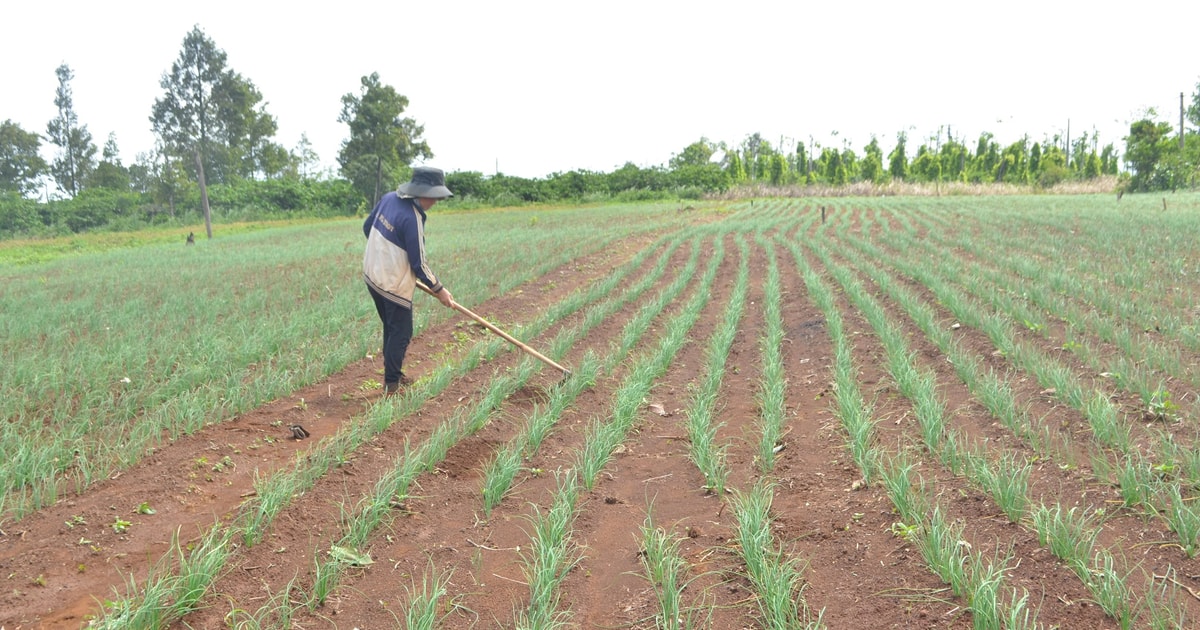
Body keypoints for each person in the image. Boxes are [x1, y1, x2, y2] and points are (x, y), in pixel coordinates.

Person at [362, 166, 456, 395]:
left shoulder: (388, 199)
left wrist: (386, 255)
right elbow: (419, 263)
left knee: (392, 329)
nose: (434, 202)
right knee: (401, 333)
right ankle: (391, 385)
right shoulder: (412, 217)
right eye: (433, 197)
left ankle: (393, 374)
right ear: (421, 192)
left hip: (372, 274)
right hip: (392, 284)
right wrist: (440, 290)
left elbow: (367, 228)